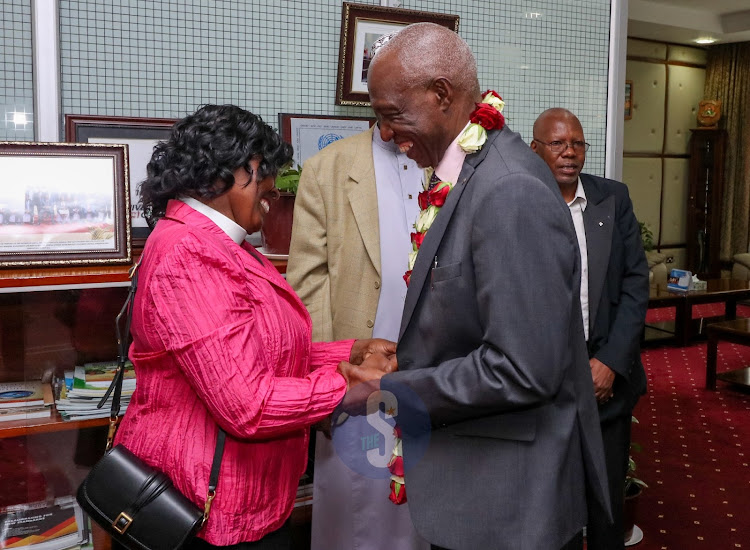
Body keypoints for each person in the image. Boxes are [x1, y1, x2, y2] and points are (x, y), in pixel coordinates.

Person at [366, 23, 611, 550]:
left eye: (390, 115)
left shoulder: (508, 190)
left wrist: (392, 391)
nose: (384, 134)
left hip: (508, 507)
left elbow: (523, 369)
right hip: (479, 490)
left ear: (441, 95)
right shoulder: (470, 172)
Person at [114, 104, 397, 550]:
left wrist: (350, 351)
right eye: (265, 172)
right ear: (238, 170)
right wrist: (344, 386)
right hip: (200, 511)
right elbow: (246, 404)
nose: (271, 186)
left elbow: (261, 350)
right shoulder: (189, 254)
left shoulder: (222, 244)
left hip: (246, 498)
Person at [287, 122, 429, 549]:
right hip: (356, 376)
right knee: (358, 517)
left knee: (427, 505)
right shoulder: (328, 167)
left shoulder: (449, 162)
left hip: (431, 373)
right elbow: (308, 285)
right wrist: (329, 384)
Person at [532, 108, 649, 550]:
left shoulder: (611, 198)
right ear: (535, 149)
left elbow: (636, 283)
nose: (570, 153)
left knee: (605, 502)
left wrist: (610, 363)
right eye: (558, 144)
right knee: (551, 501)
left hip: (607, 379)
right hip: (545, 382)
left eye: (578, 144)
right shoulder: (520, 199)